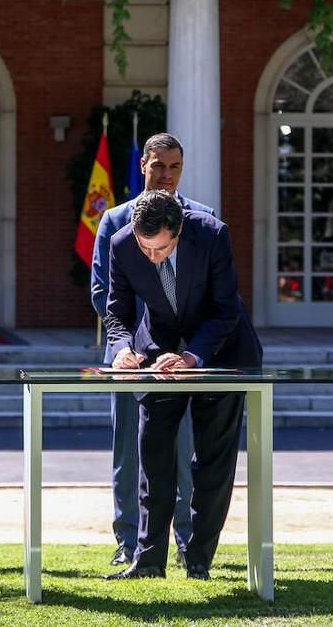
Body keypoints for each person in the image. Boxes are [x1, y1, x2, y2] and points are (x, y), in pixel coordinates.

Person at [102, 190, 263, 582]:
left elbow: (226, 309)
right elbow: (117, 312)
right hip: (157, 354)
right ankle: (149, 560)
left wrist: (192, 358)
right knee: (153, 456)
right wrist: (122, 348)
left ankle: (198, 559)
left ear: (179, 232)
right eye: (146, 248)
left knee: (211, 462)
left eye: (160, 250)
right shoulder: (123, 244)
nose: (152, 257)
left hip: (220, 353)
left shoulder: (211, 234)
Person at [90, 132, 215, 567]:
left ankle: (183, 539)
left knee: (183, 450)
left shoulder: (203, 219)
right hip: (129, 357)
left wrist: (184, 351)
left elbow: (209, 296)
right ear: (143, 164)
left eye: (174, 167)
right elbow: (103, 291)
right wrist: (128, 344)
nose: (165, 175)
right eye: (158, 165)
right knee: (130, 451)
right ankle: (129, 540)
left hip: (180, 359)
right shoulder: (115, 221)